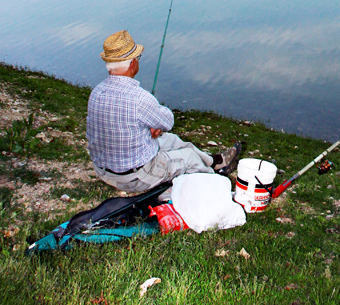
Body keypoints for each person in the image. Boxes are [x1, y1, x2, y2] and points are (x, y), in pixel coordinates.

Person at [87, 30, 241, 195]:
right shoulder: (140, 98)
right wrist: (154, 122)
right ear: (132, 63)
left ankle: (215, 161)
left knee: (172, 140)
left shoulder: (96, 92)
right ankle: (218, 188)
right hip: (135, 177)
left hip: (103, 170)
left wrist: (150, 125)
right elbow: (167, 121)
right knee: (188, 157)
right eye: (138, 58)